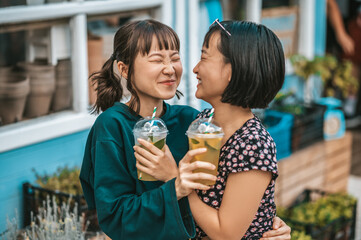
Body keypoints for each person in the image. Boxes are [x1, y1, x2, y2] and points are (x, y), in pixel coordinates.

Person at [80, 19, 291, 240]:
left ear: (233, 69)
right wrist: (176, 185)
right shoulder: (112, 126)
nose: (171, 69)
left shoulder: (193, 122)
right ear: (124, 69)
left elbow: (226, 207)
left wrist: (264, 222)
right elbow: (114, 217)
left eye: (175, 58)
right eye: (156, 60)